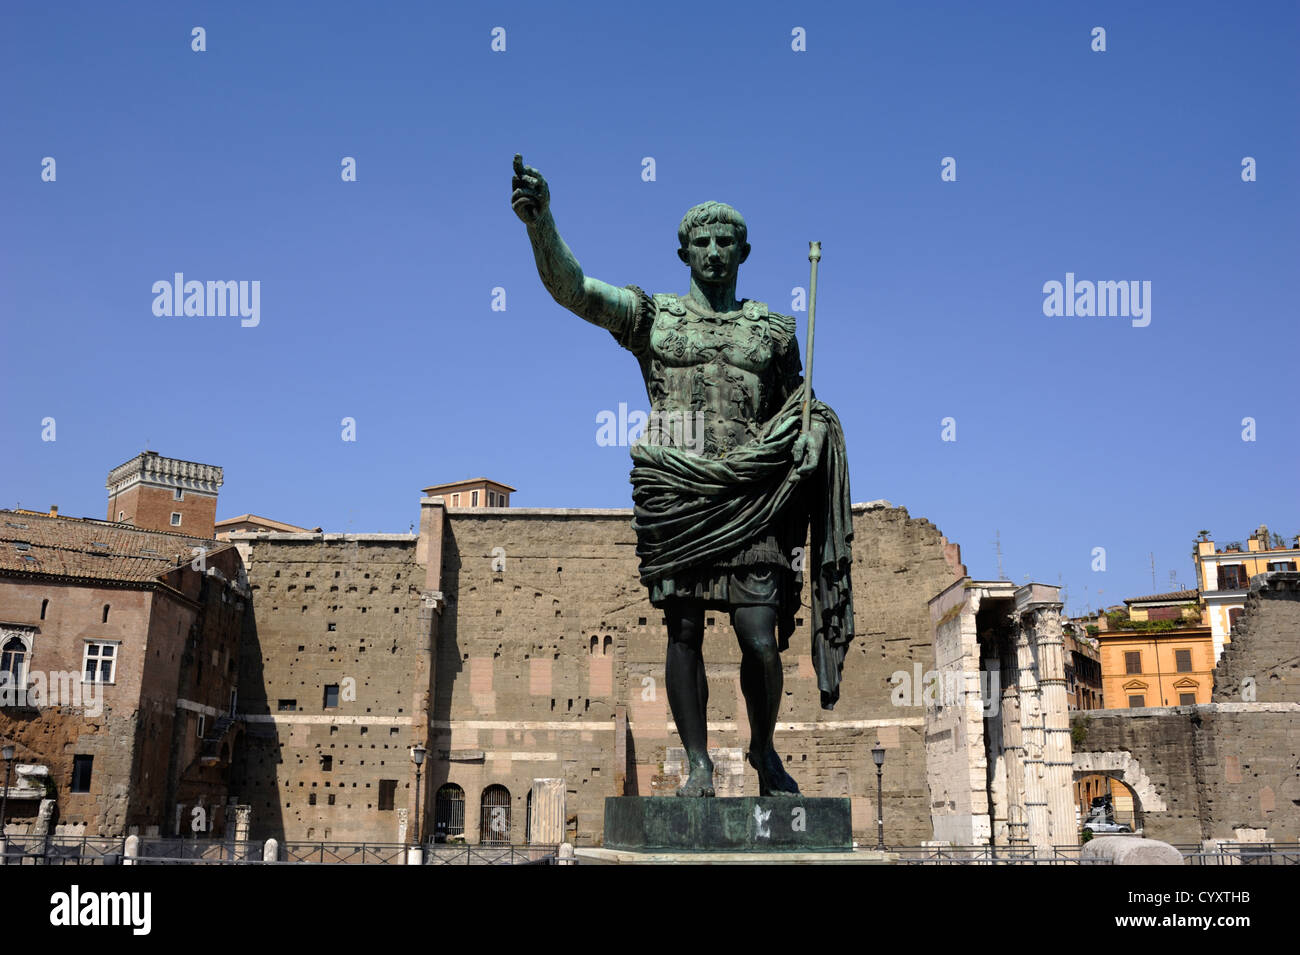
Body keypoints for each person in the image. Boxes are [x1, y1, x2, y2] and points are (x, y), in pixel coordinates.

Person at [512, 155, 854, 797]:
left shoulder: (775, 332)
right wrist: (541, 224)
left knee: (759, 638)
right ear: (683, 252)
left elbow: (799, 408)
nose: (715, 251)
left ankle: (763, 751)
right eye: (703, 241)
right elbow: (575, 290)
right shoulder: (654, 317)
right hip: (679, 495)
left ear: (745, 251)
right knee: (685, 629)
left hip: (753, 497)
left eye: (727, 242)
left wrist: (811, 436)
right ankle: (698, 764)